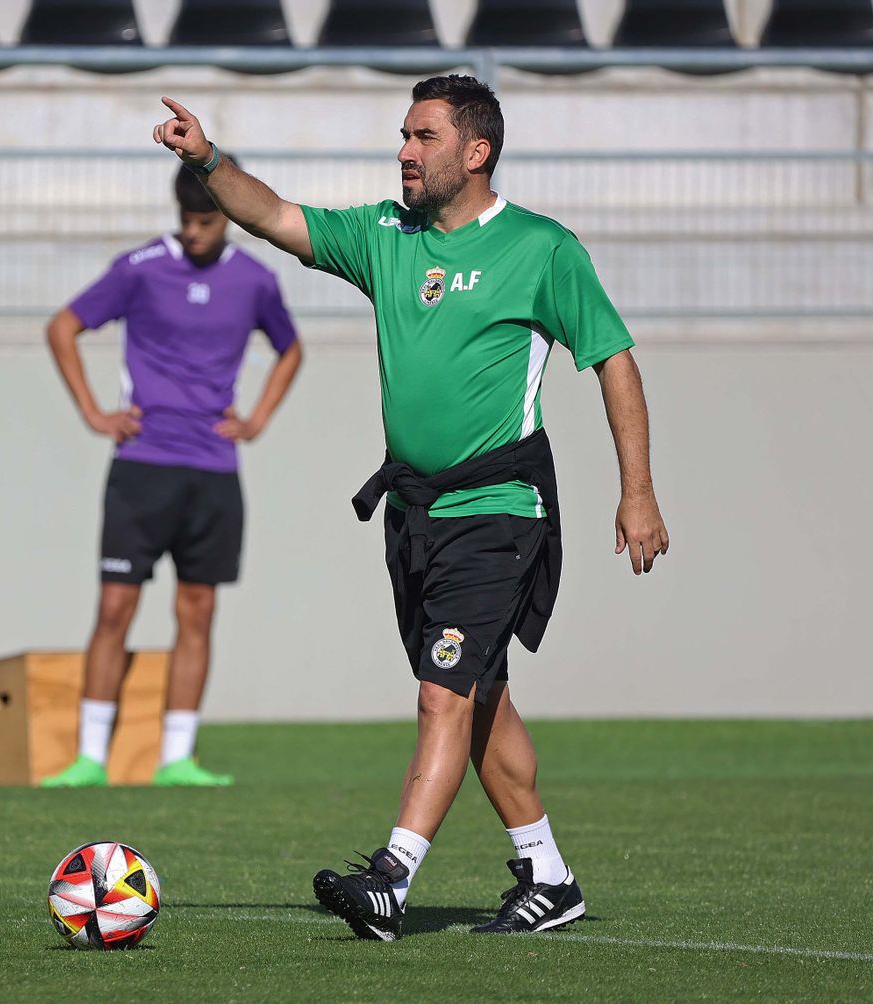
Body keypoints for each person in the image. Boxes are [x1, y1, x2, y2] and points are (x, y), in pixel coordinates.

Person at [152, 76, 670, 936]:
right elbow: (271, 215)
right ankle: (549, 877)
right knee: (477, 695)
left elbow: (613, 360)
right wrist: (207, 161)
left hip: (499, 508)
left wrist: (638, 492)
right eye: (404, 135)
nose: (404, 151)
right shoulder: (385, 236)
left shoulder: (541, 248)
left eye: (424, 137)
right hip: (415, 517)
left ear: (477, 151)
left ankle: (391, 878)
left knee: (442, 693)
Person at [40, 159, 305, 789]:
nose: (193, 231)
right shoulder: (140, 268)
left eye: (205, 221)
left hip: (212, 470)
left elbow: (291, 348)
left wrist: (257, 419)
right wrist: (93, 412)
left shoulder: (256, 279)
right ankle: (90, 758)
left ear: (228, 217)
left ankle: (177, 759)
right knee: (115, 607)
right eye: (186, 219)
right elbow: (63, 327)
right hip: (141, 465)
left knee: (197, 610)